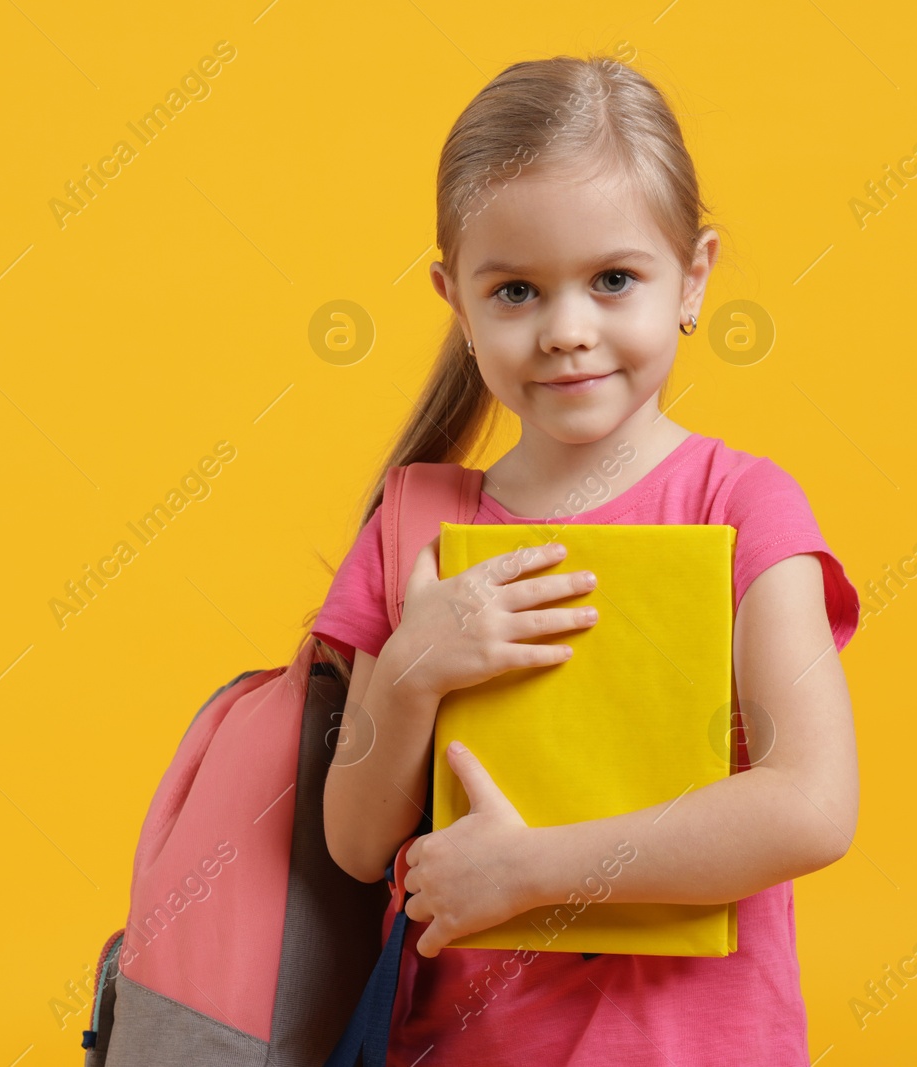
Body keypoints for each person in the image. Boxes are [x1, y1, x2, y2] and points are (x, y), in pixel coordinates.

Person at [305, 52, 861, 1066]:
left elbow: (812, 804)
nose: (567, 330)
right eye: (515, 290)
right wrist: (419, 665)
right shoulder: (415, 520)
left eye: (613, 279)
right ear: (455, 301)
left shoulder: (742, 506)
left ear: (692, 277)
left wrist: (531, 871)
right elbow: (352, 840)